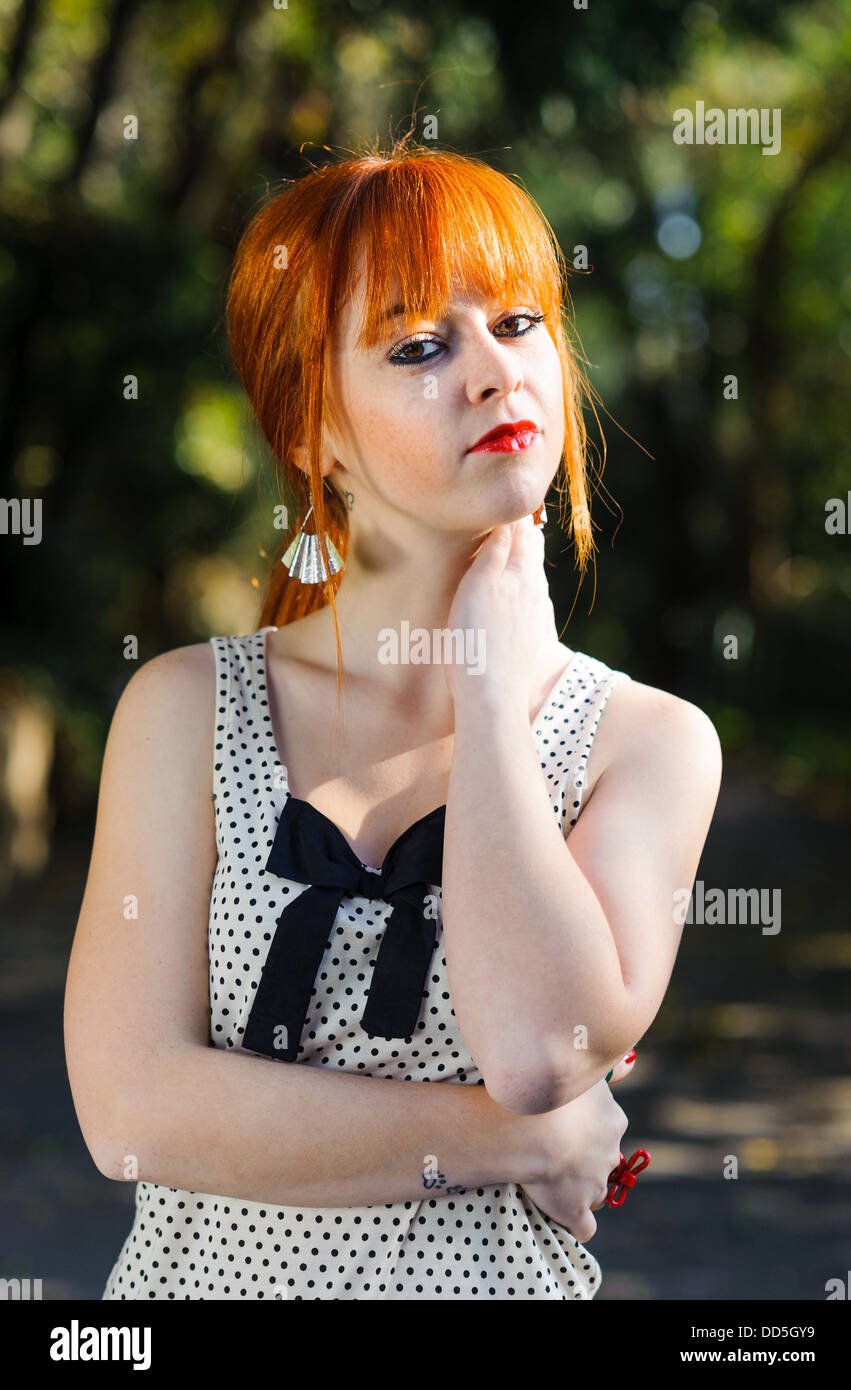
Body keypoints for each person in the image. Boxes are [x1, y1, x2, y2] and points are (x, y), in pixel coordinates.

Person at [64, 137, 722, 1300]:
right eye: (419, 345)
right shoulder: (186, 710)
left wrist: (486, 692)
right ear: (313, 431)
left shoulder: (647, 742)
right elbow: (131, 1110)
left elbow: (537, 1050)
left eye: (518, 323)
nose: (492, 371)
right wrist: (519, 1140)